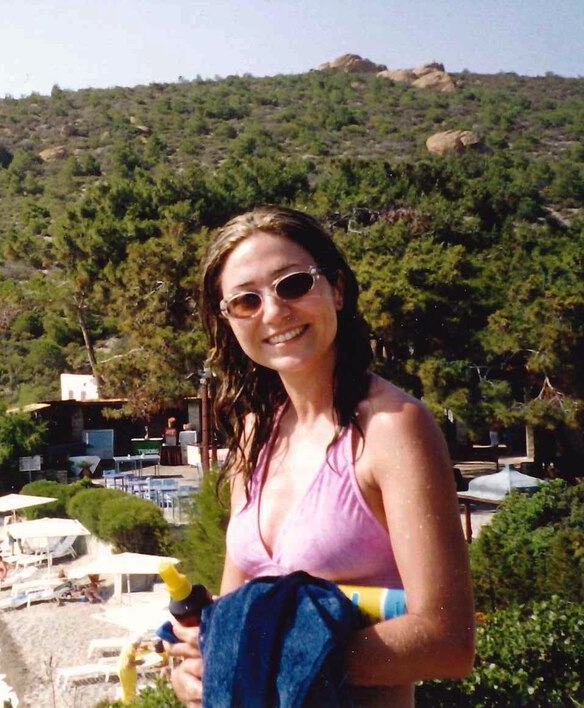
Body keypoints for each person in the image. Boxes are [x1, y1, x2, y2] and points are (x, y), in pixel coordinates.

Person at [169, 207, 474, 706]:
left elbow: (448, 643)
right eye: (246, 301)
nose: (273, 312)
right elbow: (234, 612)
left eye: (292, 285)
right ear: (228, 323)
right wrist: (198, 668)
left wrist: (266, 658)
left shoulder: (392, 428)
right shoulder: (254, 436)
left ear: (337, 288)